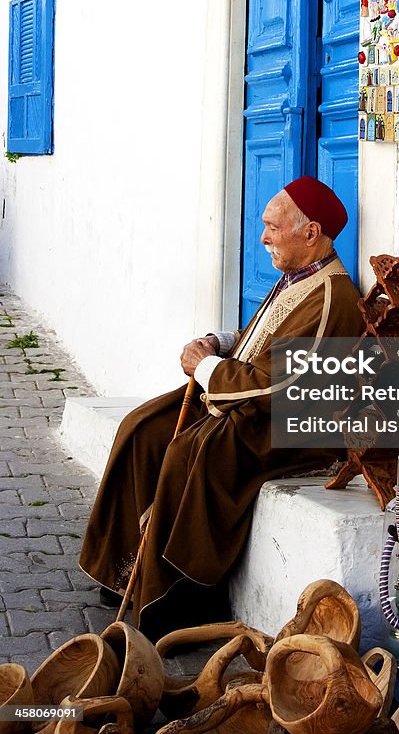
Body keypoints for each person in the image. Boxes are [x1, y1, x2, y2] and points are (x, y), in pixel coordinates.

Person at [79, 177, 363, 639]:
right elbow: (262, 332)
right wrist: (221, 343)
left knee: (191, 452)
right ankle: (125, 569)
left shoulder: (333, 296)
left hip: (289, 426)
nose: (263, 238)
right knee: (143, 427)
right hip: (243, 395)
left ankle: (176, 596)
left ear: (310, 234)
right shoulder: (299, 278)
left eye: (272, 228)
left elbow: (279, 387)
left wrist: (208, 366)